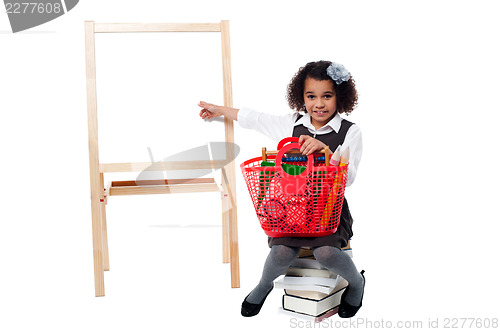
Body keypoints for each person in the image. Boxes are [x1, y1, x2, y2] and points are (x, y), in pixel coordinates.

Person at [198, 60, 365, 318]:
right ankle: (264, 285)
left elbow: (349, 177)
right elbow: (254, 118)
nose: (318, 104)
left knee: (327, 253)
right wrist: (219, 110)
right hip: (292, 209)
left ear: (339, 97)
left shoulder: (349, 132)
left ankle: (357, 283)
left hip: (328, 210)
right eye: (311, 96)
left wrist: (326, 151)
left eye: (327, 96)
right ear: (302, 97)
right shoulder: (292, 124)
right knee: (281, 253)